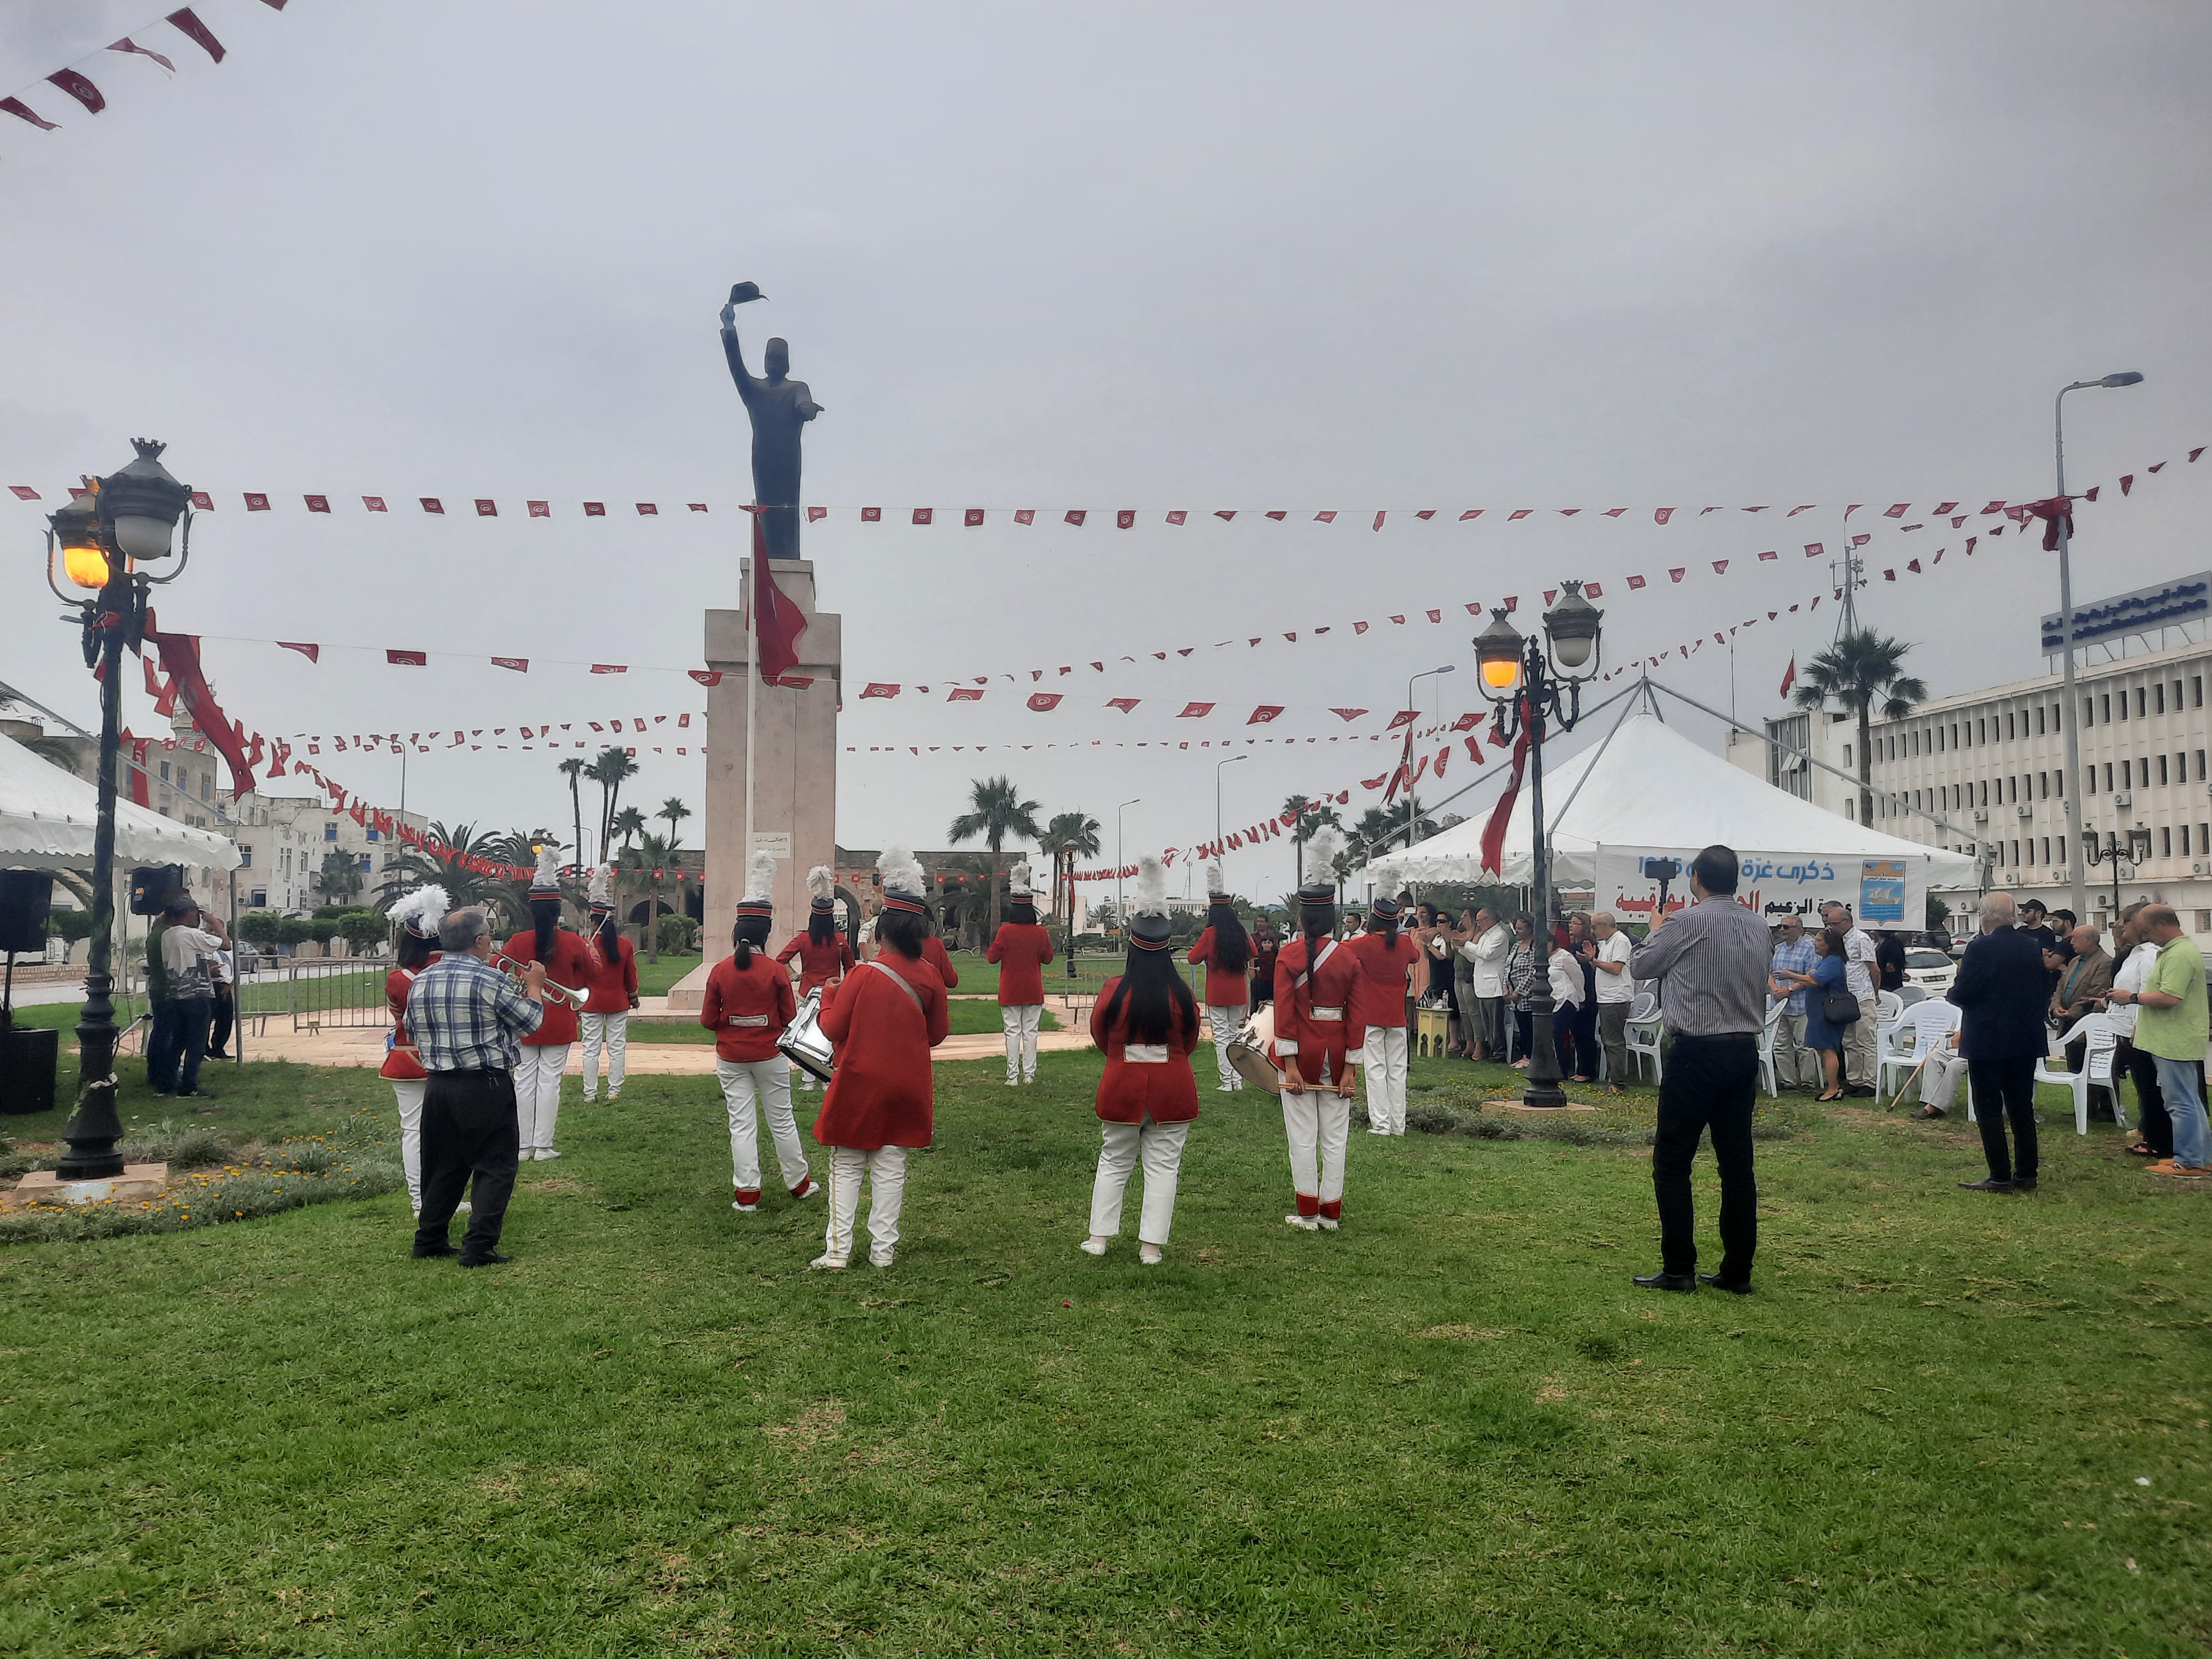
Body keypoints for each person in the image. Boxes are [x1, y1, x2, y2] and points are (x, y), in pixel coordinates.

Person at [1627, 844, 1772, 1294]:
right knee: (1736, 1164)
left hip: (1696, 1052)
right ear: (1737, 880)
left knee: (1673, 1161)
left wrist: (1655, 930)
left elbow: (1640, 965)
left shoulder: (1685, 921)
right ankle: (1737, 1271)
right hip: (1742, 1051)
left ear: (1696, 880)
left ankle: (1679, 1268)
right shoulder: (1759, 925)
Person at [810, 847, 950, 1269]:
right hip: (908, 1085)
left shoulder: (863, 975)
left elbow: (832, 1029)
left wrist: (829, 997)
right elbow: (937, 1035)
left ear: (883, 931)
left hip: (860, 1082)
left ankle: (837, 1252)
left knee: (848, 1165)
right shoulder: (931, 977)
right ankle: (883, 1253)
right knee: (891, 1168)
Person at [408, 906, 544, 1265]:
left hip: (438, 1086)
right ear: (480, 941)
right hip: (484, 1084)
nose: (492, 941)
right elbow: (530, 1023)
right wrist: (534, 987)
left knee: (443, 1166)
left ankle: (430, 1238)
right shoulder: (490, 979)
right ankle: (479, 1246)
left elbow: (412, 1027)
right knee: (495, 1165)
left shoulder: (421, 980)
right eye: (489, 935)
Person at [1081, 858, 1201, 1263]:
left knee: (1114, 1160)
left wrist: (1121, 1058)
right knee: (1163, 1168)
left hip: (1121, 1084)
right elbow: (1190, 1041)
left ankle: (1099, 1239)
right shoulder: (1183, 993)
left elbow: (1100, 1034)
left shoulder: (1114, 989)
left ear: (1131, 945)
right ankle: (1151, 1247)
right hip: (1174, 1087)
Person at [700, 853, 816, 1213]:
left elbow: (707, 1020)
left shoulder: (720, 970)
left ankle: (747, 1193)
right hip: (770, 1056)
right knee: (781, 1119)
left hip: (731, 1057)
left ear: (737, 931)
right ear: (766, 933)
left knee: (742, 1124)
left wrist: (731, 1022)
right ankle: (798, 1183)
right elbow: (789, 1016)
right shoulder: (776, 971)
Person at [1274, 833, 1364, 1230]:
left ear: (1301, 920)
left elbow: (1284, 1015)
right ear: (1332, 918)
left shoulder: (1287, 956)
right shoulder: (1349, 957)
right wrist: (1351, 1068)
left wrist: (1290, 1064)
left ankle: (1308, 1212)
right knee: (1336, 1138)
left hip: (1300, 1054)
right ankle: (1331, 1212)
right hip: (1339, 1052)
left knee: (1302, 1137)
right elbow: (1357, 1017)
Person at [1945, 892, 2051, 1192]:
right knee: (2021, 1108)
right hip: (2025, 1037)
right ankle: (2028, 1174)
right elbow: (2041, 989)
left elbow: (1963, 992)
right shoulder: (2031, 947)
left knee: (1989, 1108)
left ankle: (2000, 1175)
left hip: (1988, 1038)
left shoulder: (1980, 947)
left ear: (1985, 916)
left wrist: (1955, 989)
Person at [501, 847, 594, 1161]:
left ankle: (522, 1146)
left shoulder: (517, 942)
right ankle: (543, 1145)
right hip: (559, 1021)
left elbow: (498, 974)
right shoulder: (573, 942)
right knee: (550, 1082)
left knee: (523, 1082)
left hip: (524, 1020)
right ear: (558, 911)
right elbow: (591, 975)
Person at [2106, 905, 2211, 1176]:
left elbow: (2170, 997)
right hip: (2175, 1038)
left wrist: (2131, 998)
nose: (2147, 937)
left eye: (2147, 931)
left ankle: (2189, 1159)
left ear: (2163, 923)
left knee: (2180, 1102)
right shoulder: (2177, 951)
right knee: (2190, 1100)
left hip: (2173, 1039)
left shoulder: (2178, 955)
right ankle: (2200, 1155)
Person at [382, 883, 449, 1218]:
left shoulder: (398, 978)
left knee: (413, 1131)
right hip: (450, 1059)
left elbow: (398, 1017)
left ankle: (419, 1202)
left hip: (407, 1058)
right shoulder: (455, 970)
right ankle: (443, 1197)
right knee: (449, 1132)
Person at [1349, 877, 1419, 1135]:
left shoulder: (1364, 945)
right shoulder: (1403, 943)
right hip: (1398, 1017)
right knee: (1398, 1072)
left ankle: (1381, 1125)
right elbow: (1416, 956)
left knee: (1376, 1070)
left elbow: (1342, 951)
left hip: (1371, 1015)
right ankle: (1399, 1125)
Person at [779, 865, 858, 1092]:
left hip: (807, 992)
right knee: (830, 1035)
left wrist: (795, 976)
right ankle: (826, 1078)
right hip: (833, 993)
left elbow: (781, 959)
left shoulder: (803, 939)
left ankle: (808, 1080)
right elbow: (851, 968)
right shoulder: (840, 939)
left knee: (804, 1035)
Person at [2107, 904, 2173, 1160]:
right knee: (2142, 1086)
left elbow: (2145, 990)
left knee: (2150, 1087)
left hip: (2140, 1032)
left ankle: (2161, 1142)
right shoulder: (2133, 953)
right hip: (2126, 1029)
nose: (2121, 927)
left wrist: (2137, 1026)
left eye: (2126, 921)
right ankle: (2150, 1136)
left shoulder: (2148, 955)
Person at [985, 862, 1056, 1087]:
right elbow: (1048, 958)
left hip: (1010, 989)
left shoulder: (1005, 931)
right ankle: (1030, 1075)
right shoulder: (1041, 932)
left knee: (1012, 1032)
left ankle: (1013, 1076)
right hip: (1034, 989)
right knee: (1031, 1033)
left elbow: (992, 958)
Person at [1185, 865, 1253, 1092]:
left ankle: (1227, 1082)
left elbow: (1193, 958)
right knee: (1236, 1037)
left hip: (1217, 993)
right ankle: (1238, 1081)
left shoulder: (1210, 934)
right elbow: (1253, 952)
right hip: (1238, 992)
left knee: (1222, 1037)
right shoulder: (1240, 932)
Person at [577, 865, 639, 1104]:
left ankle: (590, 1093)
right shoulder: (624, 944)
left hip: (591, 1002)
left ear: (595, 922)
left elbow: (580, 976)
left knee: (590, 1049)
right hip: (617, 1001)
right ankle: (614, 1090)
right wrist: (633, 997)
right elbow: (631, 976)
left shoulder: (586, 945)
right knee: (617, 1048)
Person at [156, 895, 227, 1100]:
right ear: (189, 914)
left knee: (177, 1039)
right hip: (196, 994)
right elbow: (225, 944)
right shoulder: (189, 934)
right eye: (197, 914)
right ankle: (189, 1085)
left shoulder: (167, 935)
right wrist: (214, 923)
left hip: (175, 993)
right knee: (197, 1041)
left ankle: (166, 1082)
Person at [2053, 922, 2117, 1116]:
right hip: (2068, 1021)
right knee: (2074, 1064)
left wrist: (2074, 1010)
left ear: (2089, 940)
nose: (2071, 942)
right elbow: (2061, 986)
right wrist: (2056, 1006)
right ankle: (2084, 1107)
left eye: (2075, 938)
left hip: (2089, 1022)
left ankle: (2105, 1110)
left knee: (2094, 1067)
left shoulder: (2105, 962)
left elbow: (2097, 992)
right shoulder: (2074, 962)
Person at [1819, 901, 1879, 1095]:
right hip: (1844, 998)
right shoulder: (1836, 941)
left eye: (1834, 924)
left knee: (1865, 1040)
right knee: (1849, 1041)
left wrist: (1875, 993)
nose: (1831, 927)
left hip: (1862, 995)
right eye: (1829, 924)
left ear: (1847, 921)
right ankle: (1855, 1079)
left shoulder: (1861, 939)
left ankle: (1870, 1082)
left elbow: (1874, 969)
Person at [1766, 915, 1820, 1091]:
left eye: (1786, 927)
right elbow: (1769, 973)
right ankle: (1788, 1080)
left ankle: (1807, 1082)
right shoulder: (1777, 948)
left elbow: (1811, 977)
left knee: (1804, 1045)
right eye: (1780, 926)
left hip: (1801, 1005)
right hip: (1779, 1005)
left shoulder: (1809, 949)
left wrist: (1789, 990)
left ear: (1799, 930)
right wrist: (1776, 990)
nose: (1782, 930)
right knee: (1781, 1045)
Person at [1802, 927, 1853, 1103]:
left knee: (1828, 1050)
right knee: (1821, 1048)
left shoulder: (1834, 961)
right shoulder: (1824, 961)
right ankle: (1833, 1086)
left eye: (1819, 941)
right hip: (1818, 1013)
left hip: (1828, 1013)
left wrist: (1789, 975)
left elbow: (1816, 980)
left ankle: (1833, 1088)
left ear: (1829, 944)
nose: (1815, 944)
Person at [143, 893, 185, 1094]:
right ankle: (166, 1075)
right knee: (168, 1033)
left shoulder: (156, 933)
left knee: (160, 1032)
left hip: (158, 987)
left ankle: (155, 1071)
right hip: (168, 990)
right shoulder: (169, 935)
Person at [1589, 911, 1636, 1083]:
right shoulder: (1605, 943)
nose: (1593, 931)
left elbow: (1616, 969)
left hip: (1616, 997)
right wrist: (1592, 960)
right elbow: (1601, 968)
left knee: (1614, 1041)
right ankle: (1613, 1078)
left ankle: (1617, 1082)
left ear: (1605, 925)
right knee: (1607, 1039)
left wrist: (1595, 961)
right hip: (1606, 997)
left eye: (1594, 927)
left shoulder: (1620, 941)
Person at [1462, 906, 1511, 1062]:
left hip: (1494, 985)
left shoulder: (1500, 935)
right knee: (1487, 1023)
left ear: (1489, 920)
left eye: (1479, 921)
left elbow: (1487, 955)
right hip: (1482, 985)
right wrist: (1461, 947)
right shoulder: (1484, 936)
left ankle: (1499, 1052)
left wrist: (1467, 944)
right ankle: (1492, 1050)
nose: (1478, 925)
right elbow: (1475, 958)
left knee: (1496, 1023)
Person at [1504, 913, 1544, 1068]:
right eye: (1516, 928)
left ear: (1529, 929)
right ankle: (1525, 1055)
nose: (1517, 931)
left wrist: (1519, 992)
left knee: (1529, 1026)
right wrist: (1505, 987)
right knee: (1521, 1025)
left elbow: (1533, 971)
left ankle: (1531, 1056)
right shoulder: (1516, 946)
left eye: (1520, 928)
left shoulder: (1534, 947)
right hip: (1513, 994)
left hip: (1527, 995)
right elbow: (1508, 967)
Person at [1547, 928, 1587, 1082]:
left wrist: (1581, 998)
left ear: (1551, 942)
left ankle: (1562, 1071)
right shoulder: (1548, 959)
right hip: (1553, 1000)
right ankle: (1555, 1068)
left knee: (1556, 1032)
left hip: (1567, 998)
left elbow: (1578, 976)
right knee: (1553, 1035)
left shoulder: (1564, 956)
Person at [1565, 913, 1600, 1082]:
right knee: (1577, 1033)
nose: (1571, 926)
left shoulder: (1588, 946)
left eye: (1576, 923)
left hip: (1588, 995)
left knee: (1585, 1033)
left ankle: (1587, 1071)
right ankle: (1580, 1068)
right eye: (1570, 923)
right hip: (1575, 993)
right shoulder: (1572, 946)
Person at [1249, 920, 1280, 1010]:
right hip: (1260, 981)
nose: (1267, 945)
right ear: (1261, 944)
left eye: (1269, 943)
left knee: (1271, 1001)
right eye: (1265, 943)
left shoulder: (1275, 954)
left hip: (1272, 980)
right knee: (1258, 1000)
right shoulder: (1258, 955)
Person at [1875, 930, 1907, 995]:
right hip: (1885, 982)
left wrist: (1891, 965)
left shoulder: (1892, 944)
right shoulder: (1882, 944)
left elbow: (1897, 957)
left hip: (1888, 985)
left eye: (1875, 930)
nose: (1871, 932)